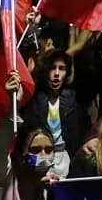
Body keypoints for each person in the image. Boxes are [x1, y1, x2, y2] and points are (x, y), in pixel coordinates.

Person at [22, 49, 90, 178]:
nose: (57, 74)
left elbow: (80, 130)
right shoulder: (34, 99)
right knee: (41, 188)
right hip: (41, 153)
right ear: (45, 71)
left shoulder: (74, 99)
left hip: (65, 155)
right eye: (52, 68)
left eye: (62, 68)